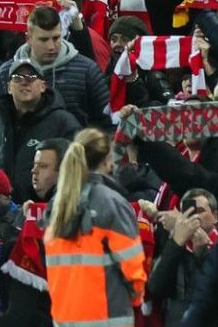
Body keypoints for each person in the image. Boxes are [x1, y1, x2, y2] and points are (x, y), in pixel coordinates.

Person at [44, 128, 145, 327]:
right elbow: (132, 266)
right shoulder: (112, 203)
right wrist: (136, 299)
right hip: (108, 319)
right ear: (108, 159)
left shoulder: (56, 206)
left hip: (64, 319)